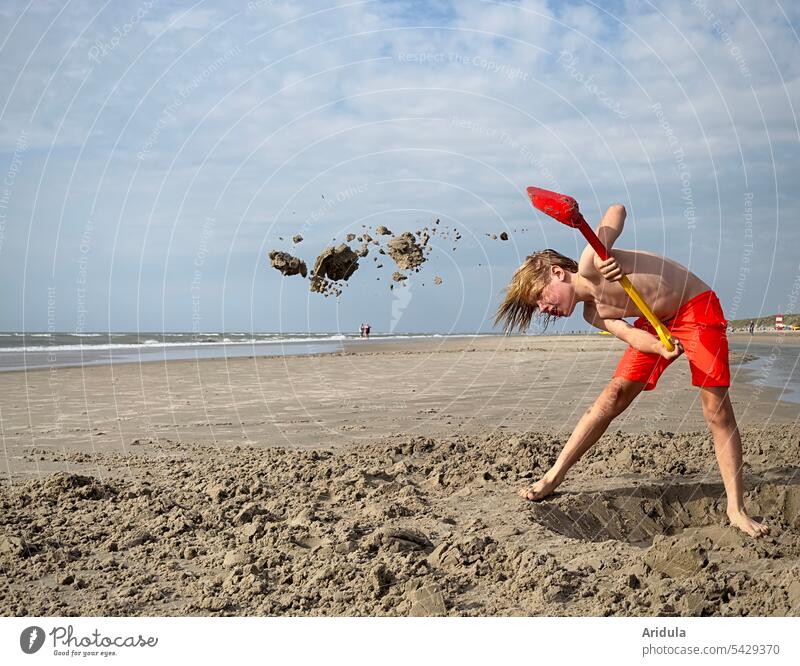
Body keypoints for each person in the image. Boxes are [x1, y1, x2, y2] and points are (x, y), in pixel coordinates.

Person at [495, 204, 769, 538]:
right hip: (654, 325)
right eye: (538, 307)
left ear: (557, 273)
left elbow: (617, 209)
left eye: (540, 298)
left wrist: (605, 245)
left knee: (715, 410)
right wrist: (658, 347)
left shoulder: (591, 261)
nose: (544, 308)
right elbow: (630, 335)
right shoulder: (592, 314)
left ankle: (735, 508)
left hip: (694, 306)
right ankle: (554, 476)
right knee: (612, 396)